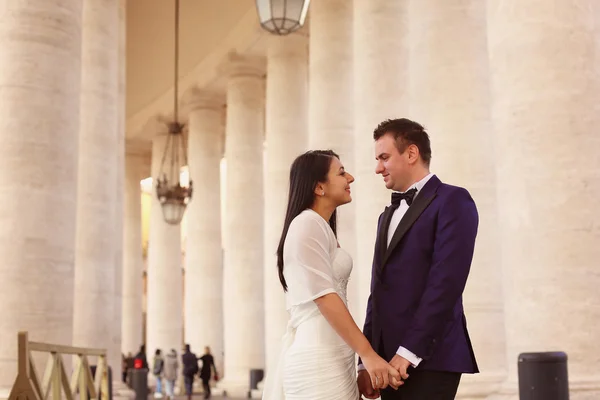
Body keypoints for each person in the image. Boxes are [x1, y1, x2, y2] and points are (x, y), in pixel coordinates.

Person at [261, 150, 401, 400]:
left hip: (334, 358)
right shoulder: (306, 224)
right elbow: (325, 297)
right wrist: (368, 355)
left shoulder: (319, 227)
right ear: (318, 187)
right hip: (317, 361)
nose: (351, 177)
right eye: (341, 172)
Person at [357, 118, 479, 400]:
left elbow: (445, 285)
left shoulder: (453, 201)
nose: (377, 168)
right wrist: (367, 360)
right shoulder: (384, 217)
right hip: (387, 364)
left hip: (432, 358)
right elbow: (378, 292)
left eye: (384, 158)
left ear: (411, 154)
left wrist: (408, 353)